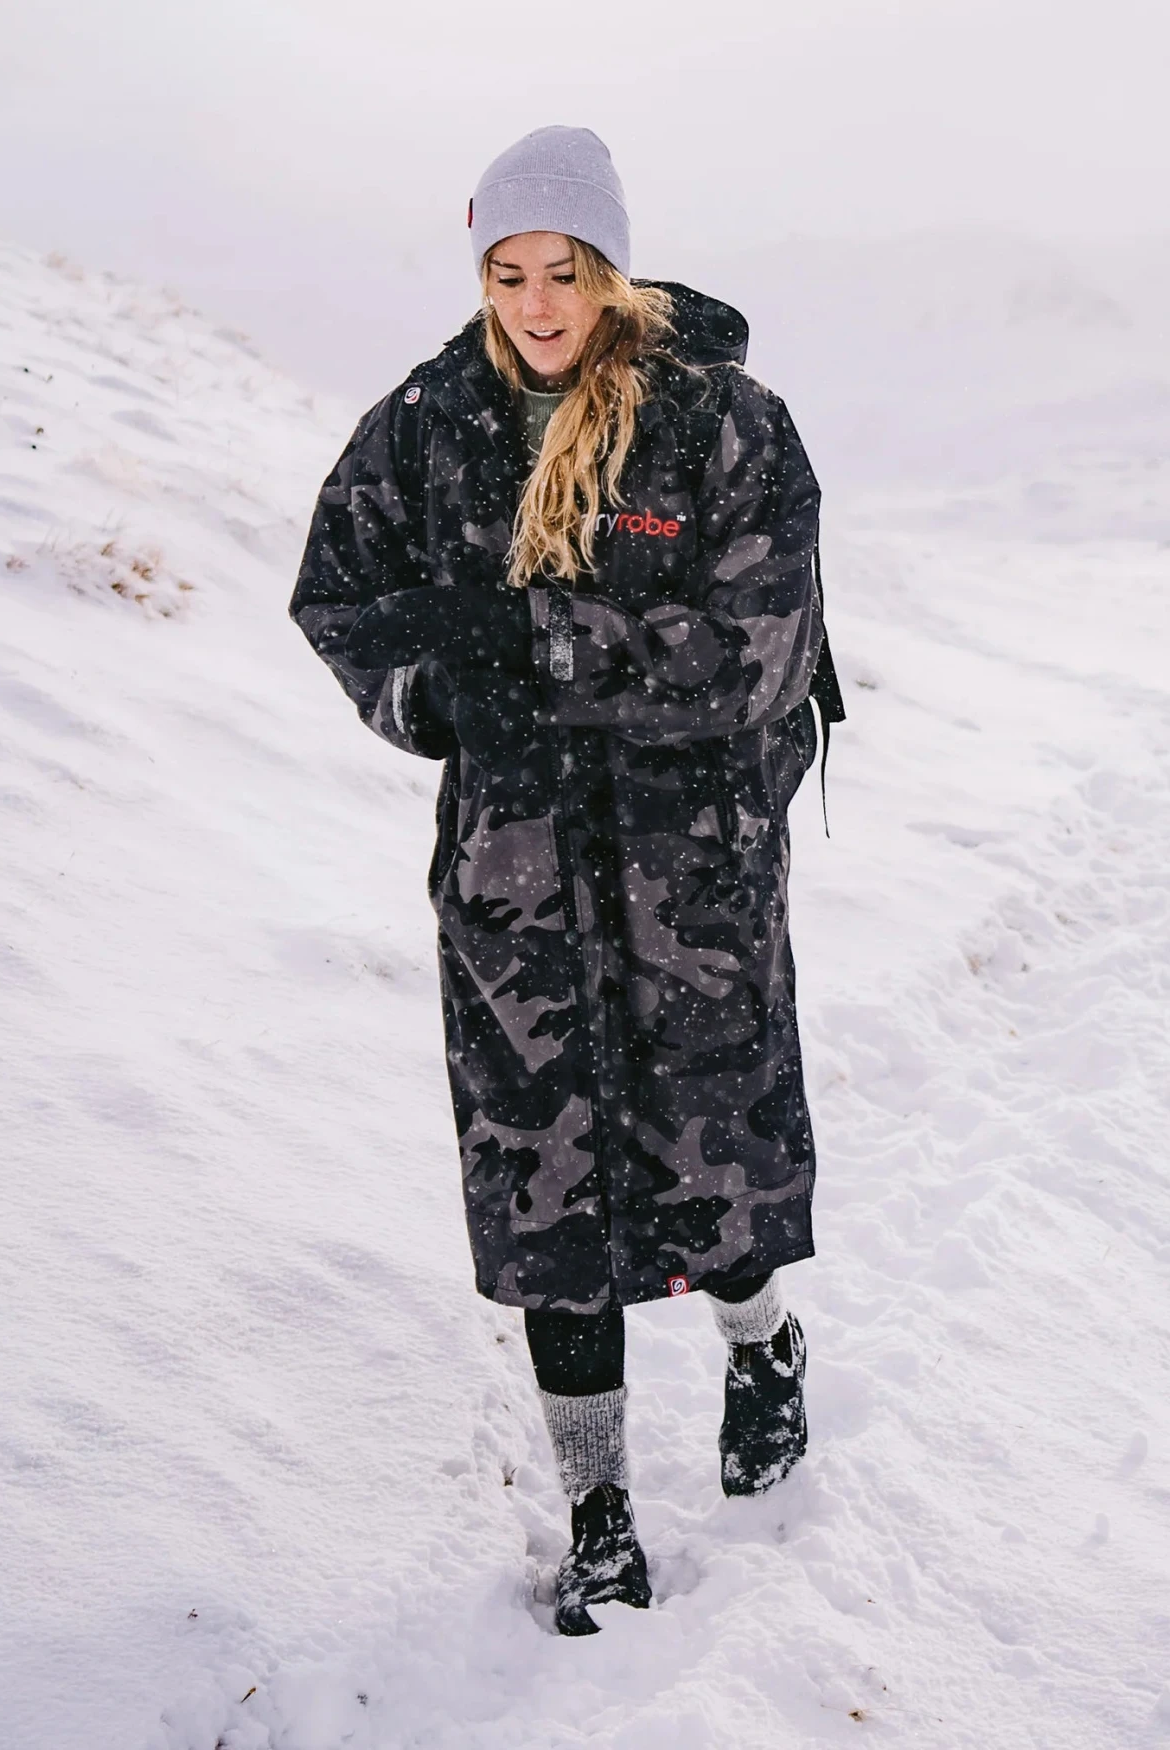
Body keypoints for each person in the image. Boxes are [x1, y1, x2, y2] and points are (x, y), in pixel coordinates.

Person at [290, 126, 835, 1636]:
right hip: (516, 888)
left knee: (715, 1165)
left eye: (565, 272)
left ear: (613, 270)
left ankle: (763, 1346)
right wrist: (426, 697)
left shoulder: (721, 423)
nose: (537, 305)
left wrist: (541, 648)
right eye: (509, 274)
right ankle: (598, 1517)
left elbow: (759, 654)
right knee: (548, 1196)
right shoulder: (429, 425)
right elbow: (338, 594)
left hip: (692, 883)